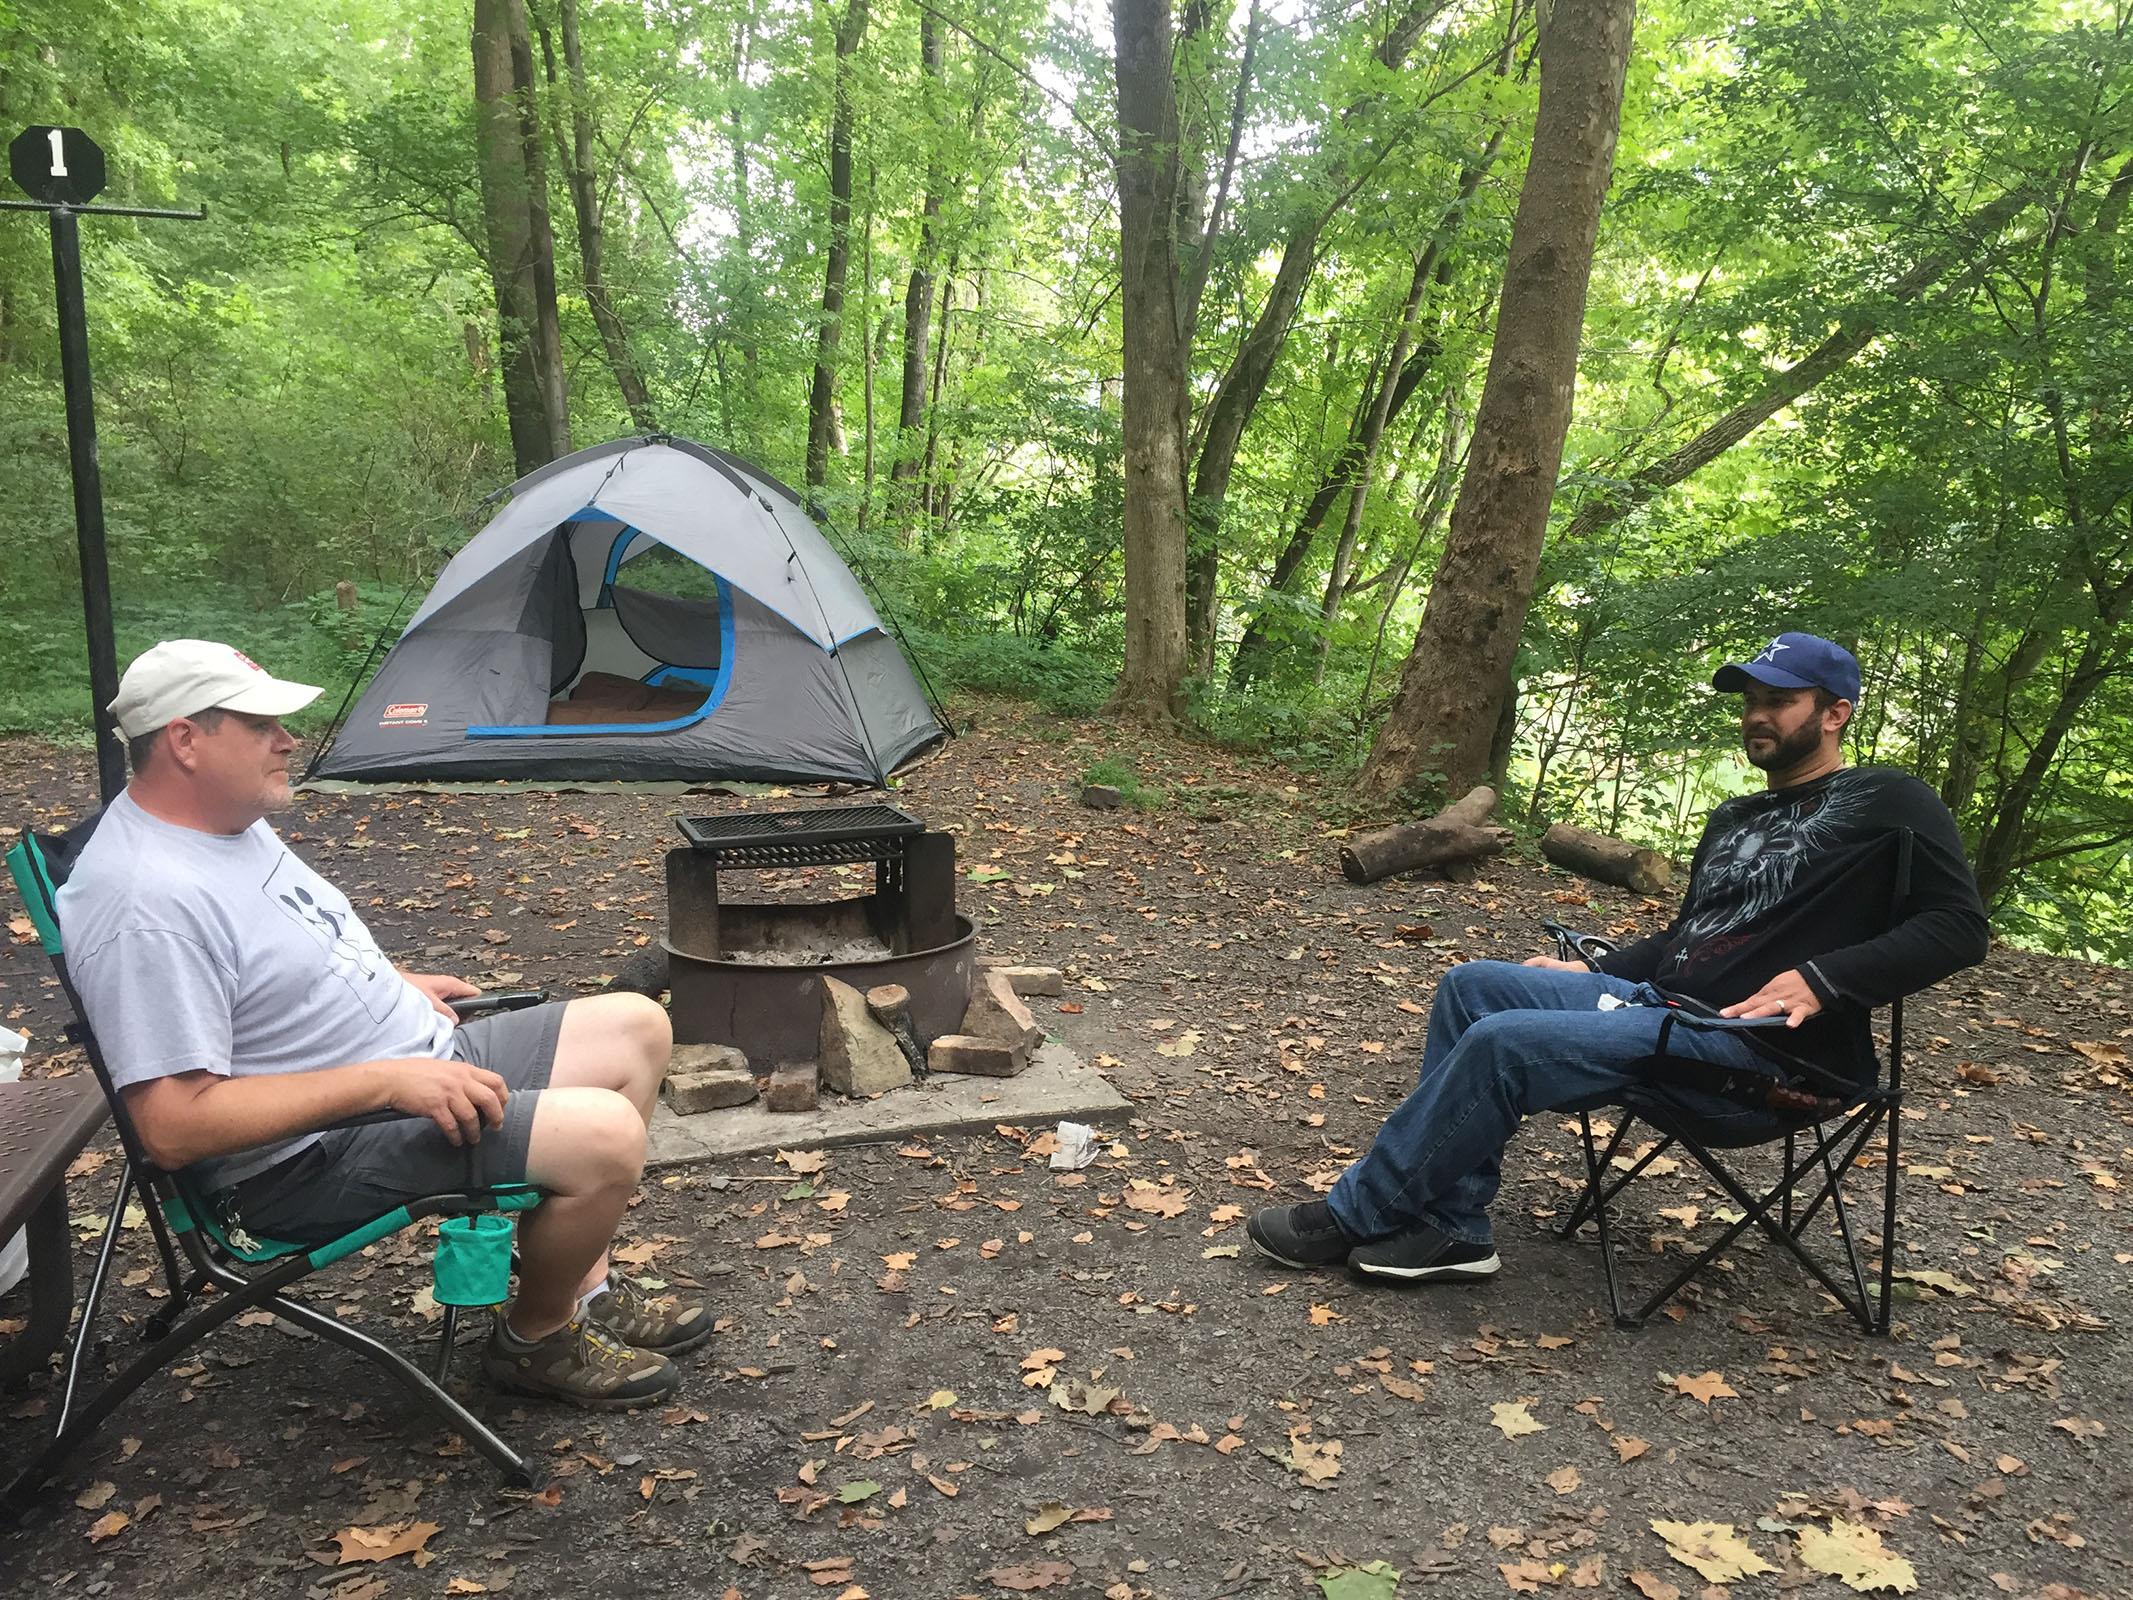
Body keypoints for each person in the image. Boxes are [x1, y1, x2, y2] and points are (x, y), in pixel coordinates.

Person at [57, 640, 704, 1408]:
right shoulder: (146, 905)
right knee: (605, 1136)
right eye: (260, 723)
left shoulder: (219, 820)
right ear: (185, 739)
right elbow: (171, 1126)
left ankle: (586, 1290)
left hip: (402, 1063)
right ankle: (536, 1338)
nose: (287, 739)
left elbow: (268, 949)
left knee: (636, 1026)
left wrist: (383, 982)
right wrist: (386, 1079)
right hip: (300, 1162)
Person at [1249, 632, 1991, 1284]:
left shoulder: (1890, 798)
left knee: (1504, 1044)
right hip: (1661, 1012)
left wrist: (1823, 980)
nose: (1756, 714)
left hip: (1759, 1052)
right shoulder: (1736, 817)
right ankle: (1451, 1229)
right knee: (1472, 988)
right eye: (1750, 700)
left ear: (1835, 713)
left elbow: (1958, 927)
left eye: (1780, 700)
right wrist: (1601, 972)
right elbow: (1690, 939)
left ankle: (1356, 1214)